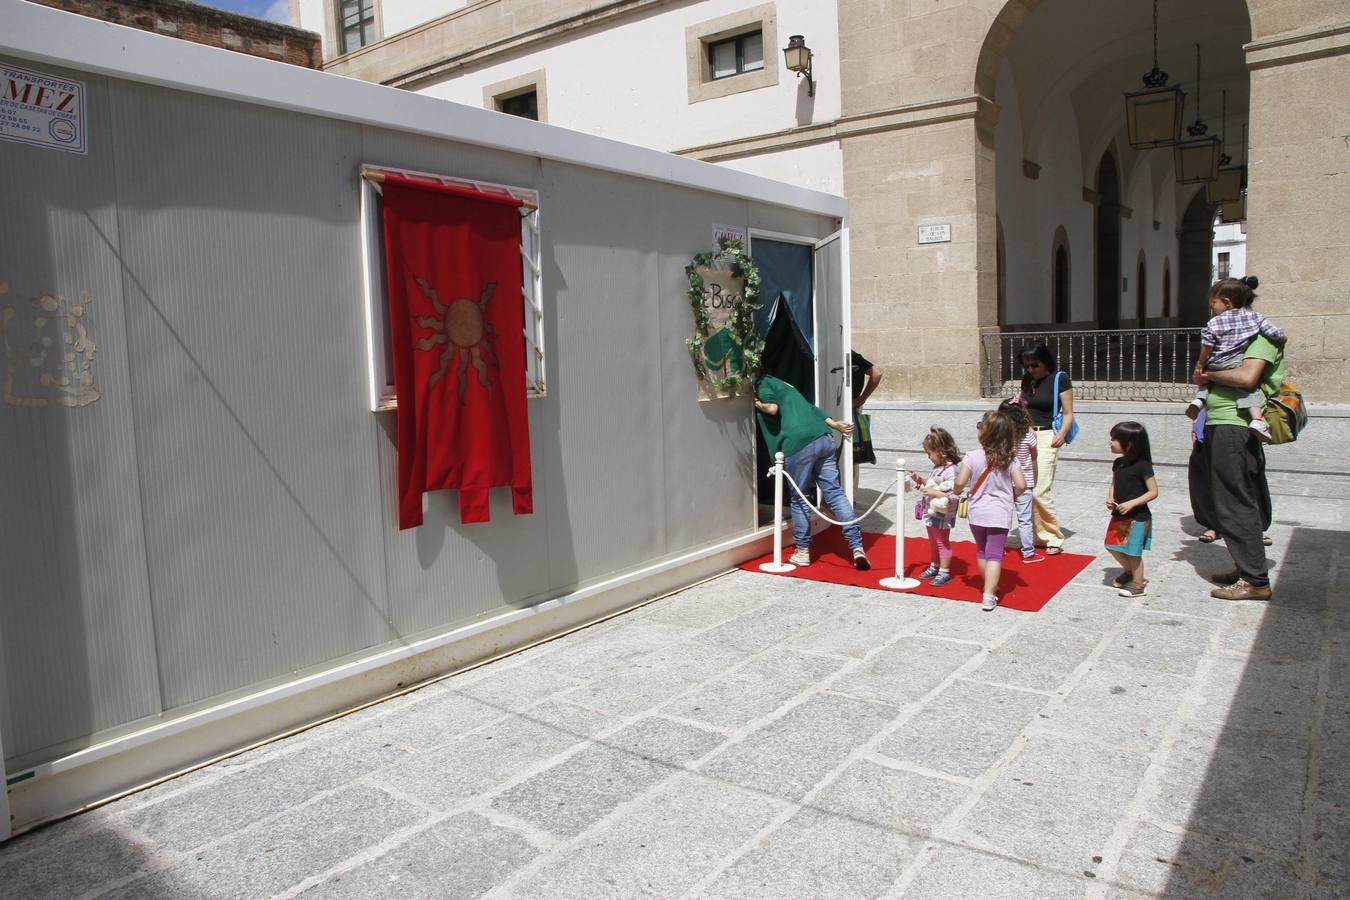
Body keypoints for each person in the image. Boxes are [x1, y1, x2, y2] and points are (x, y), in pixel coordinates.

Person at [1196, 277, 1283, 601]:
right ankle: (1244, 566)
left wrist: (1211, 373)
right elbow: (1198, 372)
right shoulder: (1228, 339)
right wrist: (1206, 373)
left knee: (1236, 502)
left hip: (1236, 425)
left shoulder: (1260, 338)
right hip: (1221, 423)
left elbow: (1247, 377)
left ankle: (1255, 580)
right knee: (1228, 499)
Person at [754, 372, 870, 570]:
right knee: (835, 493)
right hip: (823, 437)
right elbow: (810, 408)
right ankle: (857, 547)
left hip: (798, 444)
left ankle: (802, 551)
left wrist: (757, 403)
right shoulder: (785, 383)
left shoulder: (762, 383)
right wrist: (834, 424)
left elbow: (772, 408)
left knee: (800, 499)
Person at [1186, 275, 1285, 443]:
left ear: (1226, 302)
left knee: (1241, 389)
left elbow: (1246, 379)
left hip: (1233, 424)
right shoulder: (1256, 320)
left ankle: (1199, 400)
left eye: (1213, 304)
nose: (1212, 309)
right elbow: (1278, 333)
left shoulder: (1219, 324)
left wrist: (1204, 370)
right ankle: (1257, 420)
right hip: (1213, 421)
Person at [954, 410, 1026, 611]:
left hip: (977, 512)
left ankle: (987, 584)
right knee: (995, 554)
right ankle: (989, 594)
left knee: (982, 550)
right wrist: (1012, 496)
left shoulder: (972, 456)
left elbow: (960, 482)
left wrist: (957, 491)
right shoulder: (1011, 460)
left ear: (985, 434)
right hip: (1000, 512)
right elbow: (1021, 485)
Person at [1018, 342, 1074, 554]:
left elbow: (1069, 412)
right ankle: (1036, 533)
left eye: (1034, 365)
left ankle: (1052, 537)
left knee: (1040, 489)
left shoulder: (1060, 378)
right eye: (1027, 366)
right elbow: (1023, 406)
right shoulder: (1027, 379)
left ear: (1045, 361)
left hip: (1047, 435)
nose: (1031, 370)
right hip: (1026, 435)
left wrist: (1061, 434)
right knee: (1025, 488)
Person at [1105, 421, 1159, 597]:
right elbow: (1114, 483)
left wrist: (1132, 503)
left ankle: (1138, 583)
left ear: (1129, 444)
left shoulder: (1143, 465)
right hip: (1119, 514)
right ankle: (1129, 572)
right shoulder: (1118, 463)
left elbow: (1153, 492)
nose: (1110, 442)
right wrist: (1110, 497)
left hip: (1138, 516)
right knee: (1111, 545)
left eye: (1114, 439)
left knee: (1133, 551)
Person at [909, 426, 961, 586]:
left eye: (929, 453)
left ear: (940, 451)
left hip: (943, 513)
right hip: (931, 511)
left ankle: (944, 572)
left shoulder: (952, 470)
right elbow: (934, 484)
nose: (928, 457)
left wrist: (931, 491)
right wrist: (921, 480)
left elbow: (952, 494)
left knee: (941, 541)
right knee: (933, 541)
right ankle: (935, 565)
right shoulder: (937, 468)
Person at [1000, 399, 1042, 563]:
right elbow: (1034, 456)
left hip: (1005, 480)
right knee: (1025, 519)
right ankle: (1028, 553)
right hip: (1025, 480)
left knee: (1004, 516)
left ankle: (999, 547)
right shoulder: (1029, 435)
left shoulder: (1003, 436)